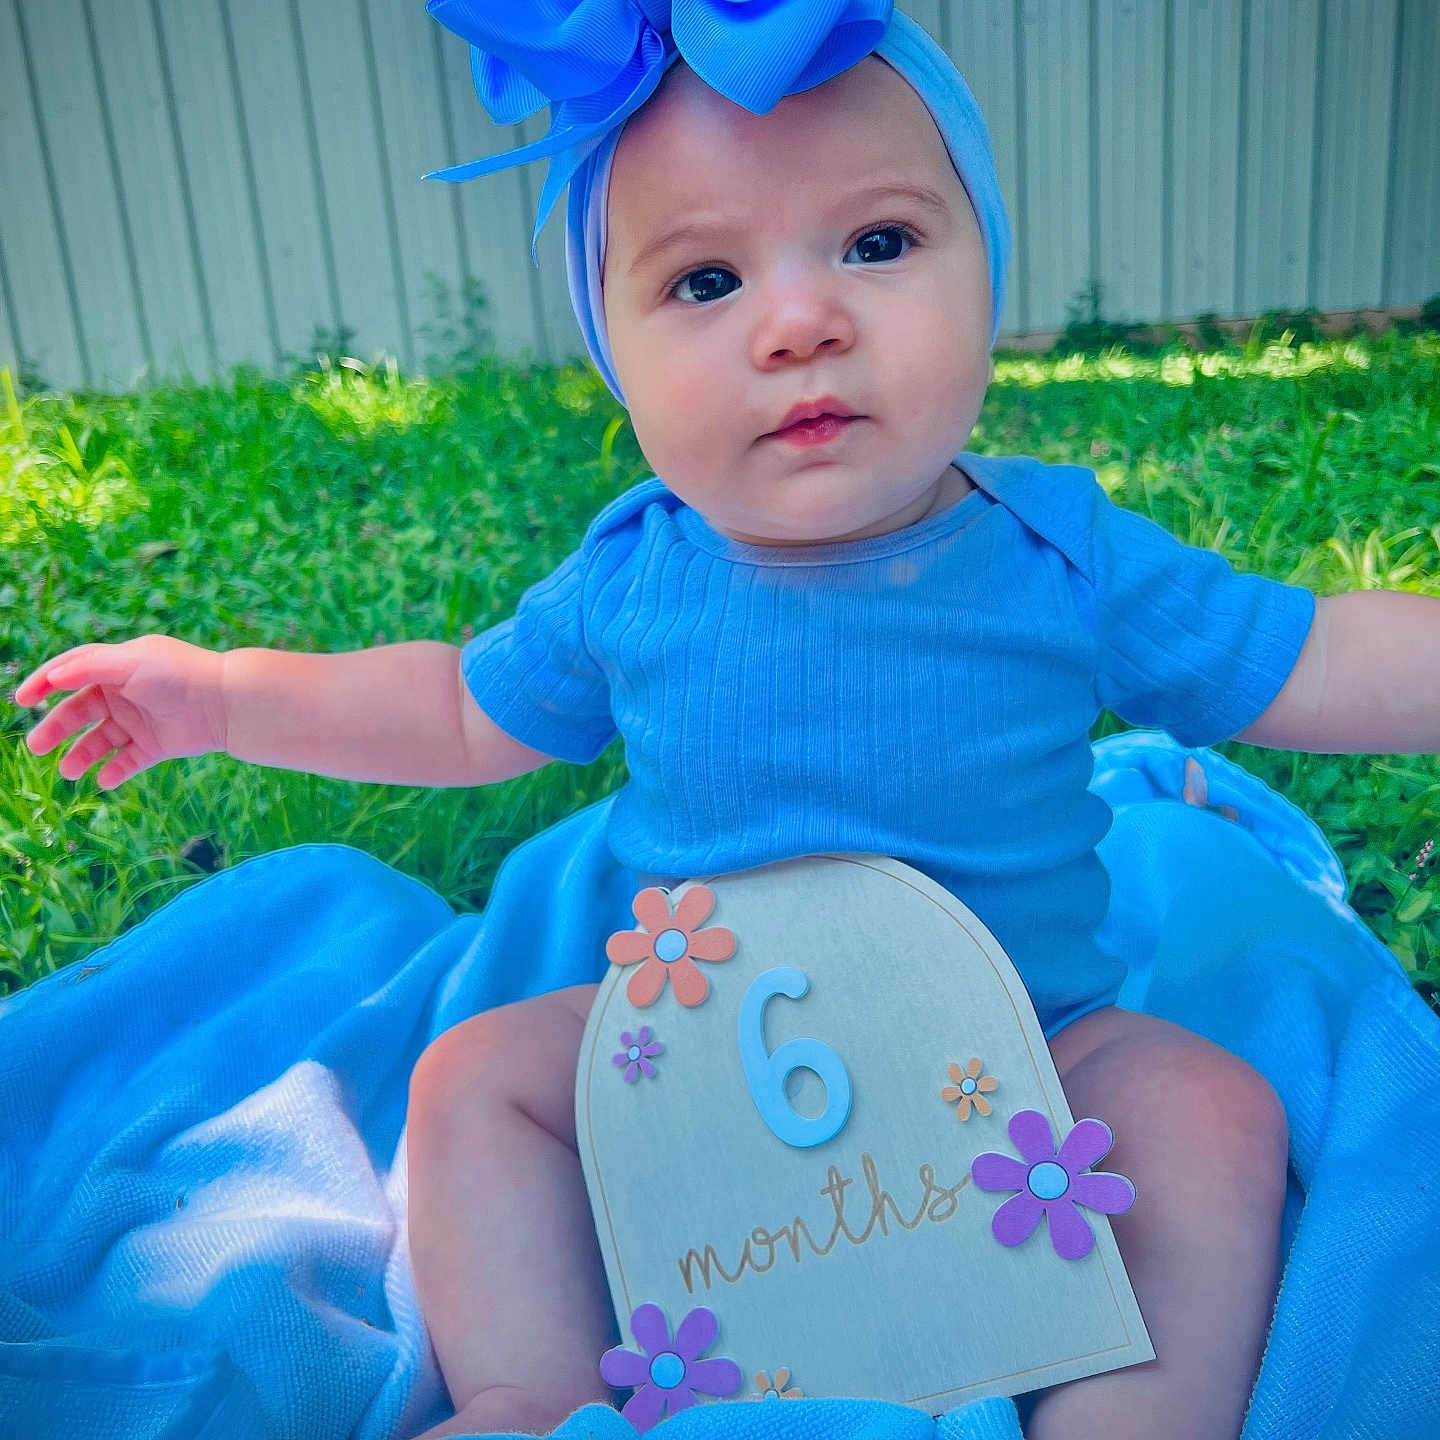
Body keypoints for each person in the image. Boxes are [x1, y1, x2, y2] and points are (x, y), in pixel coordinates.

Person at [13, 6, 1439, 1439]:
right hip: (689, 1068)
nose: (800, 320)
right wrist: (217, 693)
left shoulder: (1060, 558)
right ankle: (528, 1392)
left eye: (878, 245)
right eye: (704, 278)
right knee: (478, 1080)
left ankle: (1127, 1419)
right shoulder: (635, 581)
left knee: (1207, 1109)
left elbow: (1307, 652)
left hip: (1021, 1064)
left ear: (987, 275)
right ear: (614, 354)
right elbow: (451, 708)